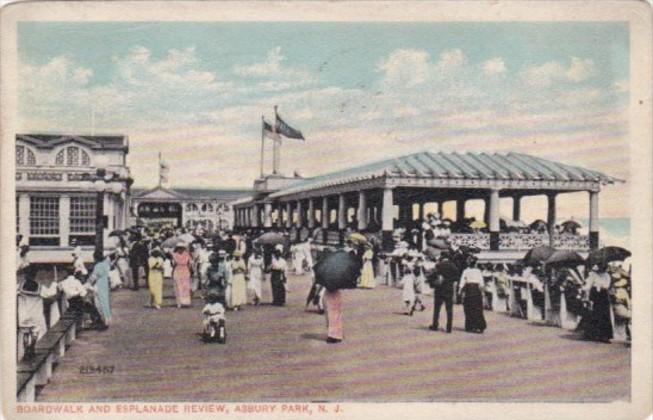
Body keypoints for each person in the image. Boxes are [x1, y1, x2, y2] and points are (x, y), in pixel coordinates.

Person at [581, 264, 613, 343]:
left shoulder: (607, 275)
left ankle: (605, 336)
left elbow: (607, 285)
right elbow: (588, 285)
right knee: (596, 314)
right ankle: (595, 335)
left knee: (605, 314)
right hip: (596, 295)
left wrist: (600, 285)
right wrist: (583, 287)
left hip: (603, 295)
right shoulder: (593, 275)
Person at [428, 254, 457, 333]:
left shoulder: (438, 265)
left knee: (437, 309)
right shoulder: (452, 266)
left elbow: (432, 276)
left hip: (439, 289)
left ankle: (435, 324)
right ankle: (449, 327)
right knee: (449, 309)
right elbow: (456, 277)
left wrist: (433, 284)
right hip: (449, 289)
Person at [458, 258, 487, 333]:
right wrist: (483, 292)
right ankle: (479, 326)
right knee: (478, 308)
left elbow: (462, 281)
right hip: (476, 290)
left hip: (469, 290)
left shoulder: (466, 271)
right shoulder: (478, 271)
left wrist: (460, 291)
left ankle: (471, 326)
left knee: (469, 308)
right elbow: (481, 283)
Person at [89, 250, 111, 329]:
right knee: (105, 302)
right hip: (105, 284)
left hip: (99, 284)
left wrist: (87, 284)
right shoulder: (106, 264)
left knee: (98, 303)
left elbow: (93, 277)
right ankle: (107, 320)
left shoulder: (97, 266)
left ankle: (103, 321)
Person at [172, 243, 193, 308]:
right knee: (178, 287)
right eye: (179, 248)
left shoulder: (187, 255)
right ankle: (179, 302)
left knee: (185, 287)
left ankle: (186, 302)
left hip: (185, 271)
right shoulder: (174, 255)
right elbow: (174, 264)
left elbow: (190, 264)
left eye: (182, 248)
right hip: (178, 271)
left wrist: (189, 270)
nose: (180, 249)